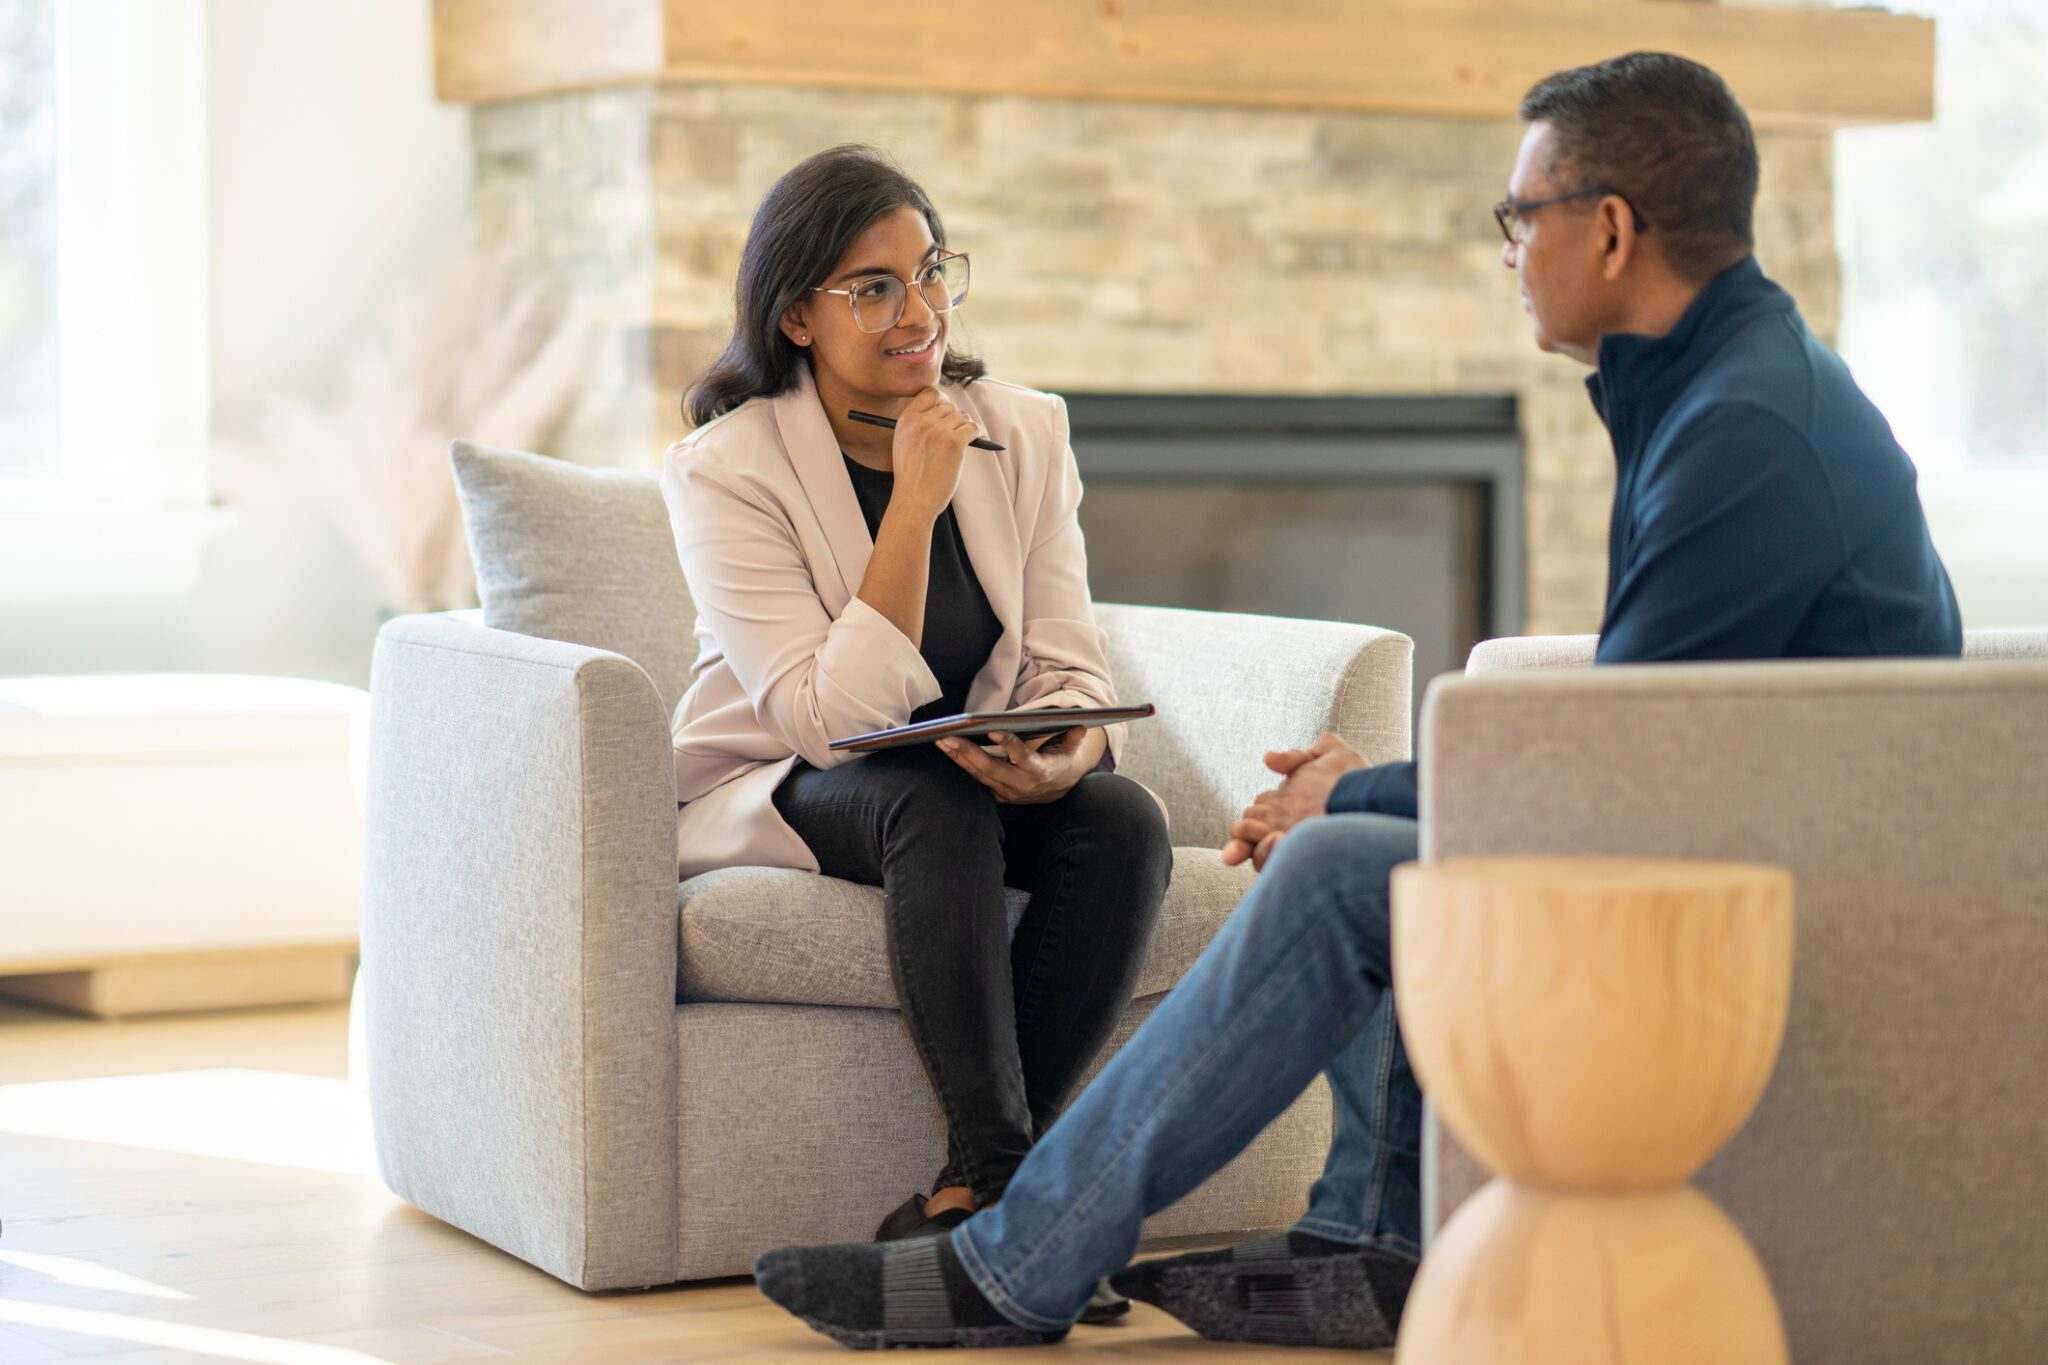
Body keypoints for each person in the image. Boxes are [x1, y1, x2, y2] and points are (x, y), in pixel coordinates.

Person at [752, 52, 1963, 1351]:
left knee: (1340, 862)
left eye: (1521, 217)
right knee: (1360, 847)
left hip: (1794, 895)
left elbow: (1616, 772)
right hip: (1744, 846)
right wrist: (1379, 791)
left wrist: (1357, 790)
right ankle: (1365, 1243)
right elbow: (1644, 734)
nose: (1509, 253)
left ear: (1609, 230)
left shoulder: (1743, 434)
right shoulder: (1722, 393)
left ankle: (1016, 1266)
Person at [664, 145, 1173, 1251]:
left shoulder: (1024, 428)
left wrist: (1067, 749)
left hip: (967, 765)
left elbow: (1065, 653)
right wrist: (913, 507)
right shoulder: (725, 468)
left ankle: (974, 1202)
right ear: (795, 316)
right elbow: (823, 719)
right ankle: (1012, 1195)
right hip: (794, 779)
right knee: (924, 801)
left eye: (931, 271)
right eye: (874, 287)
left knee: (1121, 818)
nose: (919, 311)